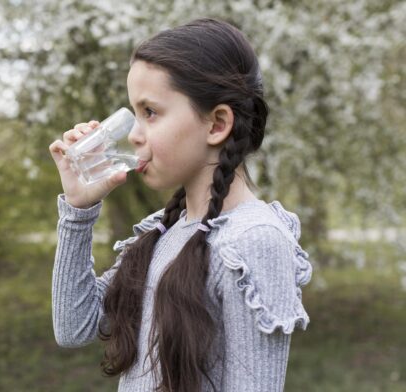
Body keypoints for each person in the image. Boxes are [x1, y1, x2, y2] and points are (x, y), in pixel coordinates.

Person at [48, 18, 313, 392]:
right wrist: (78, 211)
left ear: (217, 124)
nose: (135, 135)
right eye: (134, 113)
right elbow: (74, 327)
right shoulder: (165, 229)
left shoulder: (253, 241)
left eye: (150, 113)